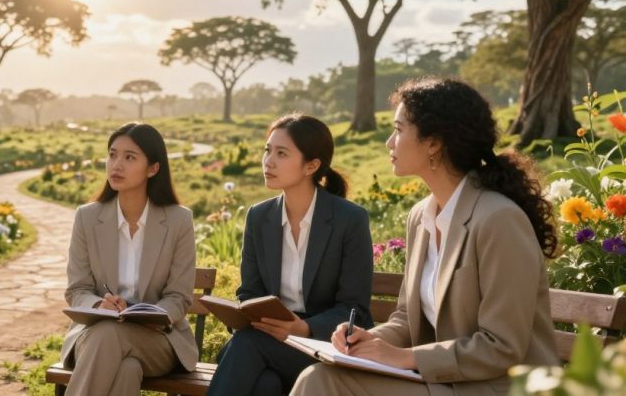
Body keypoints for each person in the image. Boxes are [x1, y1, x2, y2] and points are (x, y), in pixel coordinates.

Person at [292, 77, 559, 396]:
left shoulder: (499, 220)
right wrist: (370, 340)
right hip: (443, 383)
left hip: (500, 387)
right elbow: (407, 317)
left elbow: (502, 346)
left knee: (320, 382)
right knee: (319, 376)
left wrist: (404, 357)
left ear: (433, 142)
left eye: (399, 129)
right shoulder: (421, 216)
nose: (389, 142)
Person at [206, 113, 373, 396]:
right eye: (267, 150)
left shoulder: (349, 219)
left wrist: (303, 328)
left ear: (312, 165)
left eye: (281, 153)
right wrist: (253, 315)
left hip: (323, 347)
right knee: (265, 385)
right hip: (268, 344)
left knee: (247, 346)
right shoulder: (259, 217)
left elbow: (356, 309)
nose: (268, 161)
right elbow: (249, 292)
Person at [61, 122, 198, 396]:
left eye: (129, 157)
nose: (116, 165)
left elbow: (179, 297)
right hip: (95, 336)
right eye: (112, 155)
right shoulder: (87, 218)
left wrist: (154, 316)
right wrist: (100, 304)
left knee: (110, 335)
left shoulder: (178, 220)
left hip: (159, 340)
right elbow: (77, 290)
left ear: (153, 168)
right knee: (127, 369)